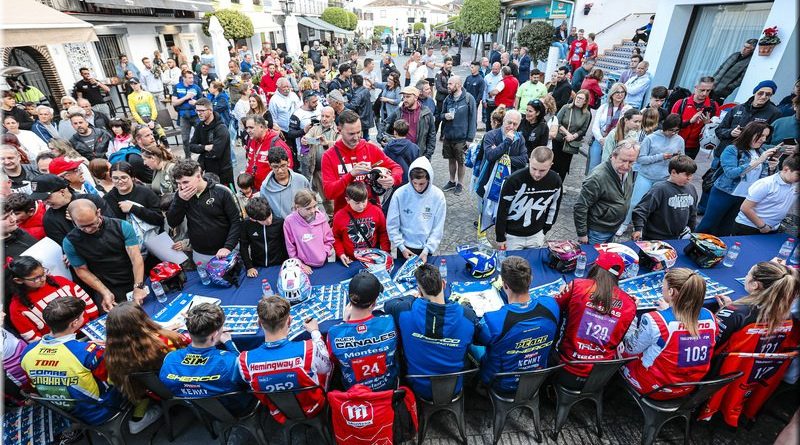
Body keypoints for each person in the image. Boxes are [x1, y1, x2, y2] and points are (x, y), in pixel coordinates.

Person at [702, 262, 799, 427]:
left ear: (755, 285)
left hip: (715, 377)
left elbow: (708, 346)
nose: (746, 276)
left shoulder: (736, 313)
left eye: (748, 274)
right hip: (751, 378)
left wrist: (725, 312)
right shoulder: (788, 317)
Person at [21, 297, 124, 426]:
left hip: (69, 414)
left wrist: (84, 347)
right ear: (74, 323)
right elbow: (115, 379)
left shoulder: (27, 352)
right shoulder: (88, 352)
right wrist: (108, 350)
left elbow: (33, 385)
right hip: (101, 410)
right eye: (82, 315)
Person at [384, 263, 476, 399]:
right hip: (455, 387)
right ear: (444, 284)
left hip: (417, 386)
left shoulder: (404, 310)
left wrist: (411, 298)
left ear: (419, 291)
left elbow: (388, 305)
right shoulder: (467, 315)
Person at [622, 268, 716, 399]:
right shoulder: (710, 316)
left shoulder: (655, 320)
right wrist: (669, 311)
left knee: (617, 341)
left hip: (654, 388)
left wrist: (632, 314)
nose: (662, 289)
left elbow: (630, 348)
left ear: (671, 291)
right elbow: (683, 330)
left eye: (663, 286)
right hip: (688, 387)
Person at [237, 296, 330, 423]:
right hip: (313, 407)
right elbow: (326, 368)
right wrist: (315, 332)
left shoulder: (244, 360)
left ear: (259, 323)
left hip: (278, 411)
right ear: (290, 320)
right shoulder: (308, 349)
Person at [474, 257, 559, 393]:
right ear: (531, 280)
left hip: (501, 383)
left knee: (473, 345)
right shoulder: (551, 305)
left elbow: (477, 339)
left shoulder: (493, 320)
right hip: (537, 377)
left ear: (504, 285)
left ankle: (479, 386)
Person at [554, 251, 636, 389]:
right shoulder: (630, 303)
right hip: (600, 375)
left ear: (596, 267)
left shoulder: (578, 286)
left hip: (566, 366)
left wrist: (564, 291)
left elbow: (555, 306)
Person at [105, 302, 188, 433]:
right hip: (179, 385)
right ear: (143, 319)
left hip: (150, 392)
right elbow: (186, 358)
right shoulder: (164, 342)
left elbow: (110, 380)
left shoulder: (113, 354)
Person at [160, 303, 252, 413]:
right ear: (214, 335)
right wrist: (229, 343)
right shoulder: (229, 361)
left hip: (195, 410)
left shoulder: (170, 359)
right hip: (233, 409)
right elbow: (248, 377)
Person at [62, 199, 147, 311]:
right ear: (73, 221)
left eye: (92, 224)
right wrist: (104, 292)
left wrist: (138, 286)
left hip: (134, 277)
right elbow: (81, 270)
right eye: (82, 226)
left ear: (98, 213)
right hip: (105, 285)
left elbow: (136, 258)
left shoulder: (122, 226)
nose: (89, 229)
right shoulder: (70, 242)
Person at [697, 121, 777, 236]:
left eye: (766, 136)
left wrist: (772, 168)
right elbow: (731, 173)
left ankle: (717, 247)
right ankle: (692, 246)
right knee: (708, 225)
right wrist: (758, 161)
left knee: (726, 229)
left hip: (745, 197)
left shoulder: (761, 152)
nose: (763, 139)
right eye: (761, 135)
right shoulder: (732, 149)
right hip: (724, 193)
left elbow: (764, 180)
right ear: (750, 133)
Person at [327, 270, 399, 390]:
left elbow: (334, 361)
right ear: (374, 303)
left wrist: (344, 323)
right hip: (388, 389)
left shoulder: (334, 333)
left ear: (349, 300)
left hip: (354, 393)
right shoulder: (389, 322)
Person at [321, 110, 402, 213]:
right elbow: (329, 193)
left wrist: (392, 179)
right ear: (339, 130)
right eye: (351, 134)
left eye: (359, 132)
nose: (356, 138)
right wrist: (351, 175)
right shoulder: (329, 156)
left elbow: (397, 168)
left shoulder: (370, 149)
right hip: (346, 216)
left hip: (373, 213)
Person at [5, 256, 98, 343]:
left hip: (90, 329)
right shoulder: (17, 307)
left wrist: (95, 323)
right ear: (18, 280)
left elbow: (86, 301)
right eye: (35, 278)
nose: (43, 279)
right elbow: (32, 337)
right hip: (61, 344)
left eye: (43, 273)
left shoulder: (59, 281)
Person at [166, 159, 242, 265]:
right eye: (179, 183)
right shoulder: (181, 195)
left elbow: (237, 221)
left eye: (185, 182)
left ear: (198, 176)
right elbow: (172, 222)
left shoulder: (222, 191)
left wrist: (228, 247)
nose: (182, 187)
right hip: (200, 253)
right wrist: (179, 201)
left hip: (226, 251)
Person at [624, 114, 685, 229]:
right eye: (671, 130)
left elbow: (682, 159)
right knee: (635, 202)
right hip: (646, 175)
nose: (673, 133)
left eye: (677, 130)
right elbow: (640, 159)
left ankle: (641, 227)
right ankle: (625, 223)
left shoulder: (680, 140)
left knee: (654, 206)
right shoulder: (650, 138)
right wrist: (661, 157)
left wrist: (677, 159)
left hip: (664, 178)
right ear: (665, 127)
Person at [495, 147, 562, 250]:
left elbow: (554, 206)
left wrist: (546, 228)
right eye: (534, 168)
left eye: (542, 170)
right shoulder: (513, 180)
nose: (537, 174)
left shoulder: (556, 180)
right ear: (529, 161)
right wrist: (500, 236)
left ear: (551, 165)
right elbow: (502, 209)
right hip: (512, 236)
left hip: (537, 235)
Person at [574, 141, 639, 244]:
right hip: (597, 232)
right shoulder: (597, 177)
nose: (626, 166)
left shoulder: (627, 170)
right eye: (623, 160)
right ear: (613, 156)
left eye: (631, 162)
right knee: (593, 254)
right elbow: (581, 207)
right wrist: (582, 234)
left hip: (613, 228)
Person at [386, 157, 445, 264]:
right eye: (415, 183)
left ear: (429, 179)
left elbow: (438, 227)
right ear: (410, 179)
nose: (418, 188)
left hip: (425, 248)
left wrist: (427, 250)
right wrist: (401, 246)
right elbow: (392, 224)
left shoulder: (438, 196)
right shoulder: (400, 194)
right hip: (404, 247)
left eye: (422, 183)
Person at [632, 155, 698, 241]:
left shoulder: (691, 188)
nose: (689, 178)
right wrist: (638, 229)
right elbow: (641, 210)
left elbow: (693, 213)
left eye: (691, 175)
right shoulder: (659, 189)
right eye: (686, 175)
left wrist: (691, 229)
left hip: (679, 237)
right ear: (673, 172)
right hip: (655, 238)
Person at [714, 80, 783, 160]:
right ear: (755, 92)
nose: (763, 96)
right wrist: (731, 133)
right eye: (760, 93)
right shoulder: (738, 108)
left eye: (768, 94)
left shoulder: (775, 113)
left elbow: (769, 140)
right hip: (722, 153)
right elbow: (719, 130)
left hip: (745, 159)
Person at [734, 153, 800, 235]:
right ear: (786, 169)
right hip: (749, 227)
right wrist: (762, 226)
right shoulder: (766, 184)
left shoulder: (794, 184)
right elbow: (745, 208)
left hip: (772, 228)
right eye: (798, 174)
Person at [333, 182, 390, 265]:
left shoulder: (376, 211)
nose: (361, 206)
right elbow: (336, 238)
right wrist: (341, 254)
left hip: (372, 259)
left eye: (364, 201)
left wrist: (386, 252)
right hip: (350, 260)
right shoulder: (339, 216)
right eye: (357, 203)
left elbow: (383, 233)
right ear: (347, 200)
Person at [440, 75, 477, 195]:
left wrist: (470, 138)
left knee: (461, 162)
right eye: (448, 84)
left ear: (458, 85)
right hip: (449, 136)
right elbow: (440, 115)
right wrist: (445, 116)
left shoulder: (468, 98)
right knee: (451, 160)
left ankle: (460, 183)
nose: (448, 86)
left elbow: (473, 119)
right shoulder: (447, 99)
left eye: (450, 84)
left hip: (462, 137)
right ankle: (452, 181)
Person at [103, 161, 163, 230]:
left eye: (124, 177)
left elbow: (159, 219)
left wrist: (133, 208)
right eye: (115, 178)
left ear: (132, 177)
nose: (120, 181)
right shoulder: (108, 199)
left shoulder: (146, 192)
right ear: (111, 179)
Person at [283, 189, 334, 268]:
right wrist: (300, 264)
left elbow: (329, 239)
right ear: (297, 207)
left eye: (314, 206)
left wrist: (325, 253)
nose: (313, 210)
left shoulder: (321, 217)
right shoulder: (289, 221)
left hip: (324, 263)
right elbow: (291, 248)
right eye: (308, 208)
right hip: (303, 266)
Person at [382, 86, 436, 160]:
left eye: (408, 97)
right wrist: (384, 139)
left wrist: (428, 155)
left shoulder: (426, 113)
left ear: (416, 97)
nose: (405, 100)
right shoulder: (399, 112)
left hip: (419, 155)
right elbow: (385, 125)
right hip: (401, 155)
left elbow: (432, 135)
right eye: (404, 97)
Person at [240, 197, 289, 277]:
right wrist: (249, 267)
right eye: (263, 220)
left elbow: (287, 244)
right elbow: (243, 246)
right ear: (253, 219)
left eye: (269, 216)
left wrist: (287, 261)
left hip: (279, 265)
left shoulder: (280, 222)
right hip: (257, 266)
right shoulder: (247, 225)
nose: (269, 221)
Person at [259, 145, 311, 220]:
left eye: (283, 166)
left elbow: (311, 203)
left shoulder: (302, 180)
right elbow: (266, 213)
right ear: (270, 166)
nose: (280, 171)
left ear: (288, 162)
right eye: (275, 167)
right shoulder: (265, 189)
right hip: (281, 226)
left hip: (304, 222)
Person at [672, 76, 719, 159]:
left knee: (685, 167)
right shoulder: (681, 103)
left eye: (708, 91)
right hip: (674, 143)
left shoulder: (713, 106)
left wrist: (708, 123)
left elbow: (717, 128)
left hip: (693, 147)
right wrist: (690, 121)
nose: (705, 93)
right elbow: (671, 125)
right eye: (702, 90)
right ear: (696, 87)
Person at [189, 98, 233, 185]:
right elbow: (191, 146)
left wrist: (201, 150)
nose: (199, 113)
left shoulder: (221, 128)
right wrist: (205, 147)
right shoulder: (200, 126)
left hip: (223, 171)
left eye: (202, 111)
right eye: (197, 110)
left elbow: (215, 153)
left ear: (210, 110)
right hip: (208, 171)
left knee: (226, 193)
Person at [552, 90, 592, 180]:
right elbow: (557, 122)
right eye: (577, 97)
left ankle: (559, 185)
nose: (578, 99)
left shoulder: (587, 114)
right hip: (559, 140)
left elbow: (583, 129)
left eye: (581, 98)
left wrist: (573, 136)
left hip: (571, 144)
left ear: (585, 101)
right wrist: (567, 133)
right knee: (553, 165)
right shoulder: (566, 108)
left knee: (563, 168)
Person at [712, 39, 758, 104]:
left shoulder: (749, 62)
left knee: (715, 105)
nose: (744, 49)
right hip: (712, 85)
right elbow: (721, 67)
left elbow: (741, 79)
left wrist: (728, 87)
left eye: (747, 48)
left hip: (723, 91)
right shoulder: (735, 55)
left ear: (753, 50)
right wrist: (713, 79)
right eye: (744, 46)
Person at [171, 70, 202, 158]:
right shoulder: (177, 87)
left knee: (202, 136)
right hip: (184, 116)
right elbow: (174, 103)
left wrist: (196, 102)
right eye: (189, 78)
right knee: (185, 139)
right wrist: (185, 98)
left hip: (195, 115)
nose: (192, 80)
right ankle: (188, 157)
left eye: (192, 77)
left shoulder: (196, 87)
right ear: (184, 78)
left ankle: (204, 155)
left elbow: (203, 102)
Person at [383, 119, 420, 184]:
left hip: (393, 180)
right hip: (409, 181)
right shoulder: (414, 148)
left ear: (395, 132)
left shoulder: (388, 148)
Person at [344, 75, 374, 140]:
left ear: (355, 83)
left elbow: (353, 106)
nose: (351, 83)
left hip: (362, 118)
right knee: (366, 135)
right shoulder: (364, 90)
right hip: (366, 117)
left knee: (363, 138)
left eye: (352, 82)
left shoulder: (358, 94)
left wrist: (343, 103)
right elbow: (355, 98)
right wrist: (345, 93)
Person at [377, 72, 401, 141]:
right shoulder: (385, 85)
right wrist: (368, 79)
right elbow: (376, 84)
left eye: (391, 79)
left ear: (395, 81)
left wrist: (387, 100)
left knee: (389, 132)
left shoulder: (397, 88)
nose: (388, 80)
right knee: (383, 130)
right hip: (384, 112)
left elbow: (398, 101)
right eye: (388, 78)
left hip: (391, 113)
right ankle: (384, 143)